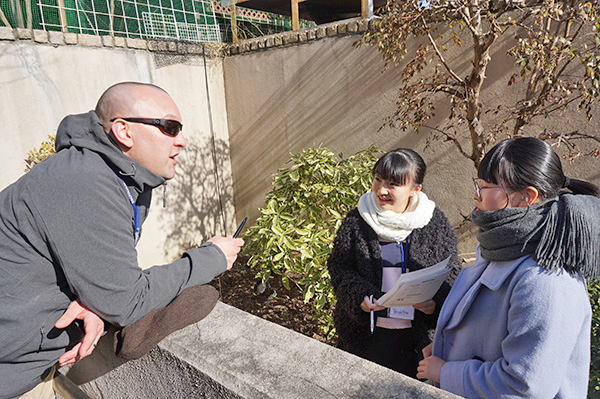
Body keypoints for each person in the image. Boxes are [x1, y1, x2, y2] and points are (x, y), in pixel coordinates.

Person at [0, 82, 243, 399]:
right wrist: (212, 258)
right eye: (170, 127)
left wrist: (97, 300)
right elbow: (126, 301)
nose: (182, 141)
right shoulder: (84, 181)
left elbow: (106, 280)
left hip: (28, 363)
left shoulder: (119, 178)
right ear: (124, 132)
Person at [417, 137, 600, 398]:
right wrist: (446, 348)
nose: (475, 194)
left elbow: (524, 387)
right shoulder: (505, 247)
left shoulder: (547, 279)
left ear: (527, 196)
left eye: (486, 186)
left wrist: (446, 372)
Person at [327, 148, 461, 377]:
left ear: (415, 189)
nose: (381, 189)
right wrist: (360, 297)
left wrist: (434, 304)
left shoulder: (433, 222)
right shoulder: (358, 219)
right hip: (364, 337)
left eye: (393, 184)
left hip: (415, 342)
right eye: (378, 179)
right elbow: (339, 266)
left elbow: (452, 271)